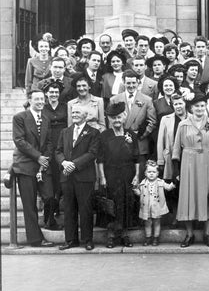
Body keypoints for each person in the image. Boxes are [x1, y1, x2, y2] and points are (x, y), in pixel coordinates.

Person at [172, 94, 209, 248]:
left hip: (208, 163)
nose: (200, 109)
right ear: (191, 108)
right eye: (196, 106)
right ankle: (189, 234)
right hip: (189, 163)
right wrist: (176, 170)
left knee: (208, 195)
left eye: (202, 106)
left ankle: (207, 234)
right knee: (189, 196)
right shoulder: (183, 125)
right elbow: (176, 149)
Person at [12, 90, 55, 247]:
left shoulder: (46, 118)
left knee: (49, 196)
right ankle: (36, 239)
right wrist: (38, 156)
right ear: (29, 100)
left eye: (42, 99)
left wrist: (45, 159)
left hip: (42, 166)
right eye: (36, 99)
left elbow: (49, 142)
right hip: (25, 166)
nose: (40, 102)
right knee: (29, 205)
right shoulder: (20, 118)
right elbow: (19, 141)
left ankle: (49, 222)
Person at [56, 104, 100, 251]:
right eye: (73, 112)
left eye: (77, 112)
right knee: (69, 209)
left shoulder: (93, 132)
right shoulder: (65, 132)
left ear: (85, 116)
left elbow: (92, 153)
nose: (74, 114)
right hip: (67, 177)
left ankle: (87, 240)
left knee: (85, 209)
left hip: (84, 176)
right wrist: (63, 162)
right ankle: (70, 240)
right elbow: (58, 151)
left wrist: (74, 164)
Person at [97, 102, 140, 248]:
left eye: (119, 117)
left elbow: (137, 157)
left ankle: (124, 235)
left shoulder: (131, 134)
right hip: (110, 173)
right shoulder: (104, 136)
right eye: (113, 118)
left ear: (124, 116)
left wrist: (136, 176)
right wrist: (102, 177)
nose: (116, 120)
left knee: (127, 203)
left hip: (127, 173)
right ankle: (111, 236)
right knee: (112, 204)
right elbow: (100, 159)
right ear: (109, 119)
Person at [109, 70, 157, 176]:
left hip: (140, 143)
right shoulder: (115, 99)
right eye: (128, 83)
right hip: (120, 142)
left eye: (133, 83)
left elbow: (152, 122)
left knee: (138, 176)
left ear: (138, 82)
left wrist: (140, 135)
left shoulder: (147, 100)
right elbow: (111, 123)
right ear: (123, 82)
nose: (131, 86)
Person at [157, 93, 187, 227]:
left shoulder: (191, 118)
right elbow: (160, 141)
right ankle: (175, 217)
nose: (178, 106)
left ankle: (187, 217)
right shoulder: (166, 119)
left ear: (185, 103)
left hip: (187, 158)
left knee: (187, 187)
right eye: (175, 104)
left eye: (180, 103)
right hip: (171, 159)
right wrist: (160, 161)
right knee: (173, 188)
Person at [41, 80, 68, 228]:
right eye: (51, 92)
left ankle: (58, 208)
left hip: (62, 145)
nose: (54, 94)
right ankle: (49, 216)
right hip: (48, 147)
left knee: (61, 181)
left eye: (56, 92)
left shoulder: (65, 107)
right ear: (46, 93)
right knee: (50, 183)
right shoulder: (43, 108)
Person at [134, 160, 175, 246]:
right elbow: (139, 193)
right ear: (145, 173)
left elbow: (168, 187)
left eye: (154, 172)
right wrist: (135, 189)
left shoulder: (160, 182)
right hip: (146, 207)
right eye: (149, 172)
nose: (151, 174)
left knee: (157, 222)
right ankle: (148, 238)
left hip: (157, 207)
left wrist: (174, 183)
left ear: (157, 173)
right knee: (147, 222)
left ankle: (156, 238)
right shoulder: (142, 183)